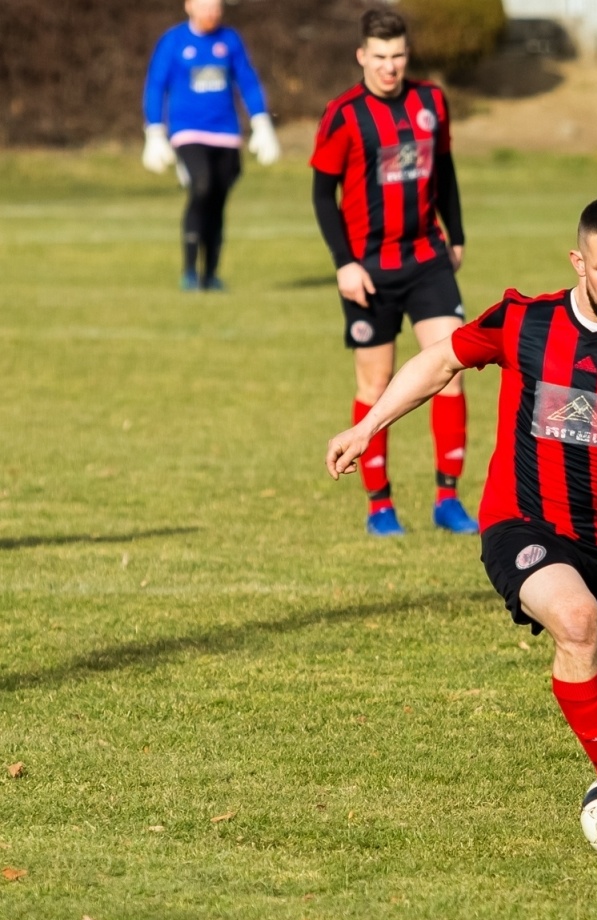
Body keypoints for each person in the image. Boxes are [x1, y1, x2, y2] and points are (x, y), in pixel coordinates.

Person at [325, 197, 597, 849]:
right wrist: (368, 426)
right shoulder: (525, 321)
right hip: (523, 524)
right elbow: (439, 360)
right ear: (578, 262)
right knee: (576, 619)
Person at [310, 8, 473, 537]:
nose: (389, 66)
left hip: (427, 259)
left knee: (451, 370)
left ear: (407, 55)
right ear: (362, 55)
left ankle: (447, 499)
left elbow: (444, 170)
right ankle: (380, 505)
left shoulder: (431, 102)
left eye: (398, 55)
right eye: (379, 56)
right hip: (369, 269)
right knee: (377, 383)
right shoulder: (343, 115)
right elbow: (322, 194)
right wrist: (344, 263)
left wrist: (456, 235)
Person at [142, 0, 279, 291]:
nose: (211, 13)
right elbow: (155, 85)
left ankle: (211, 274)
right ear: (189, 6)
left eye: (216, 7)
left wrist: (261, 123)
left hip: (226, 132)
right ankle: (189, 271)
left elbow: (247, 81)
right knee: (201, 187)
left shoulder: (230, 40)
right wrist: (154, 131)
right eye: (205, 7)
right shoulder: (174, 41)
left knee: (218, 198)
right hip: (188, 131)